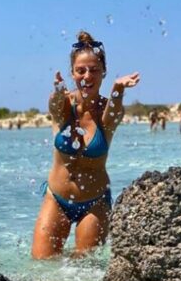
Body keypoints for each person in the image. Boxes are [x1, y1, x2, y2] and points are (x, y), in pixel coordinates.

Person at [32, 30, 140, 258]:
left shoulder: (106, 112)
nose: (87, 76)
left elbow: (115, 113)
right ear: (72, 73)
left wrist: (118, 89)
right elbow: (55, 106)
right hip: (56, 198)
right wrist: (58, 91)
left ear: (103, 72)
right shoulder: (65, 104)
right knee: (41, 266)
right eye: (81, 70)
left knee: (83, 269)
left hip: (94, 202)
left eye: (94, 70)